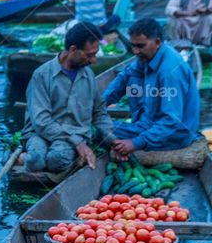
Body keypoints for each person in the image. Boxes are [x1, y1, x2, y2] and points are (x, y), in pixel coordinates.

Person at [22, 23, 114, 174]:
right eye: (90, 55)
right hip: (39, 132)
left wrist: (111, 138)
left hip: (75, 133)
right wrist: (78, 143)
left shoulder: (88, 75)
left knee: (56, 160)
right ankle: (25, 157)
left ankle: (40, 157)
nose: (93, 60)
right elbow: (41, 121)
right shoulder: (42, 75)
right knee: (35, 160)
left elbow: (99, 112)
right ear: (73, 50)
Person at [103, 18, 202, 156]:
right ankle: (137, 126)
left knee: (101, 130)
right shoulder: (147, 56)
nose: (136, 51)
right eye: (133, 46)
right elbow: (125, 75)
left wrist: (135, 143)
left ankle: (139, 133)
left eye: (140, 46)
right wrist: (100, 105)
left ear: (157, 42)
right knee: (130, 77)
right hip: (149, 123)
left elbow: (171, 121)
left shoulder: (169, 72)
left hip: (174, 135)